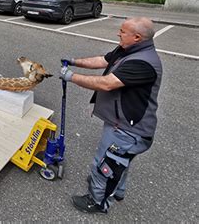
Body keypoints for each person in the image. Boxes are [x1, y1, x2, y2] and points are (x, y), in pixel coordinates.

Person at [60, 17, 162, 214]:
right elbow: (102, 60)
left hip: (128, 130)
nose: (118, 34)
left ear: (137, 37)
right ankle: (118, 190)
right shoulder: (129, 49)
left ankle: (97, 202)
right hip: (123, 124)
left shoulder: (143, 63)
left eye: (123, 31)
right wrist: (74, 62)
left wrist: (71, 77)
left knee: (104, 166)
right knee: (118, 162)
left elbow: (106, 83)